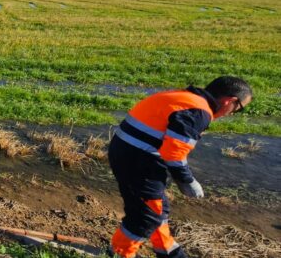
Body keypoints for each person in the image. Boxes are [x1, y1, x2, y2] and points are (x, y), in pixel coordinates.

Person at [108, 76, 252, 258]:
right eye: (238, 109)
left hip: (128, 151)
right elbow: (173, 154)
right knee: (145, 217)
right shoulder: (198, 111)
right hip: (139, 159)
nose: (232, 113)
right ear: (230, 100)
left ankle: (168, 251)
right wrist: (187, 180)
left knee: (157, 207)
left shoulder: (184, 97)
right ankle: (119, 253)